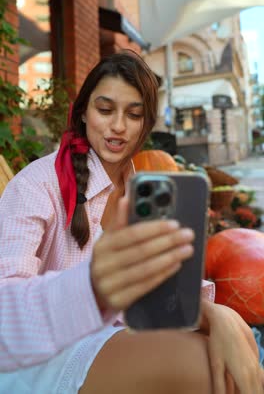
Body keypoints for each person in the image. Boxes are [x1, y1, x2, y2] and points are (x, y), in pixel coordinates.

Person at [0, 50, 262, 394]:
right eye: (105, 110)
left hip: (123, 335)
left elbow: (165, 293)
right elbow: (6, 311)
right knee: (201, 368)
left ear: (146, 124)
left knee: (238, 349)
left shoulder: (149, 192)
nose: (118, 126)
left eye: (134, 114)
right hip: (43, 356)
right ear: (82, 113)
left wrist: (217, 316)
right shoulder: (37, 185)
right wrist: (94, 286)